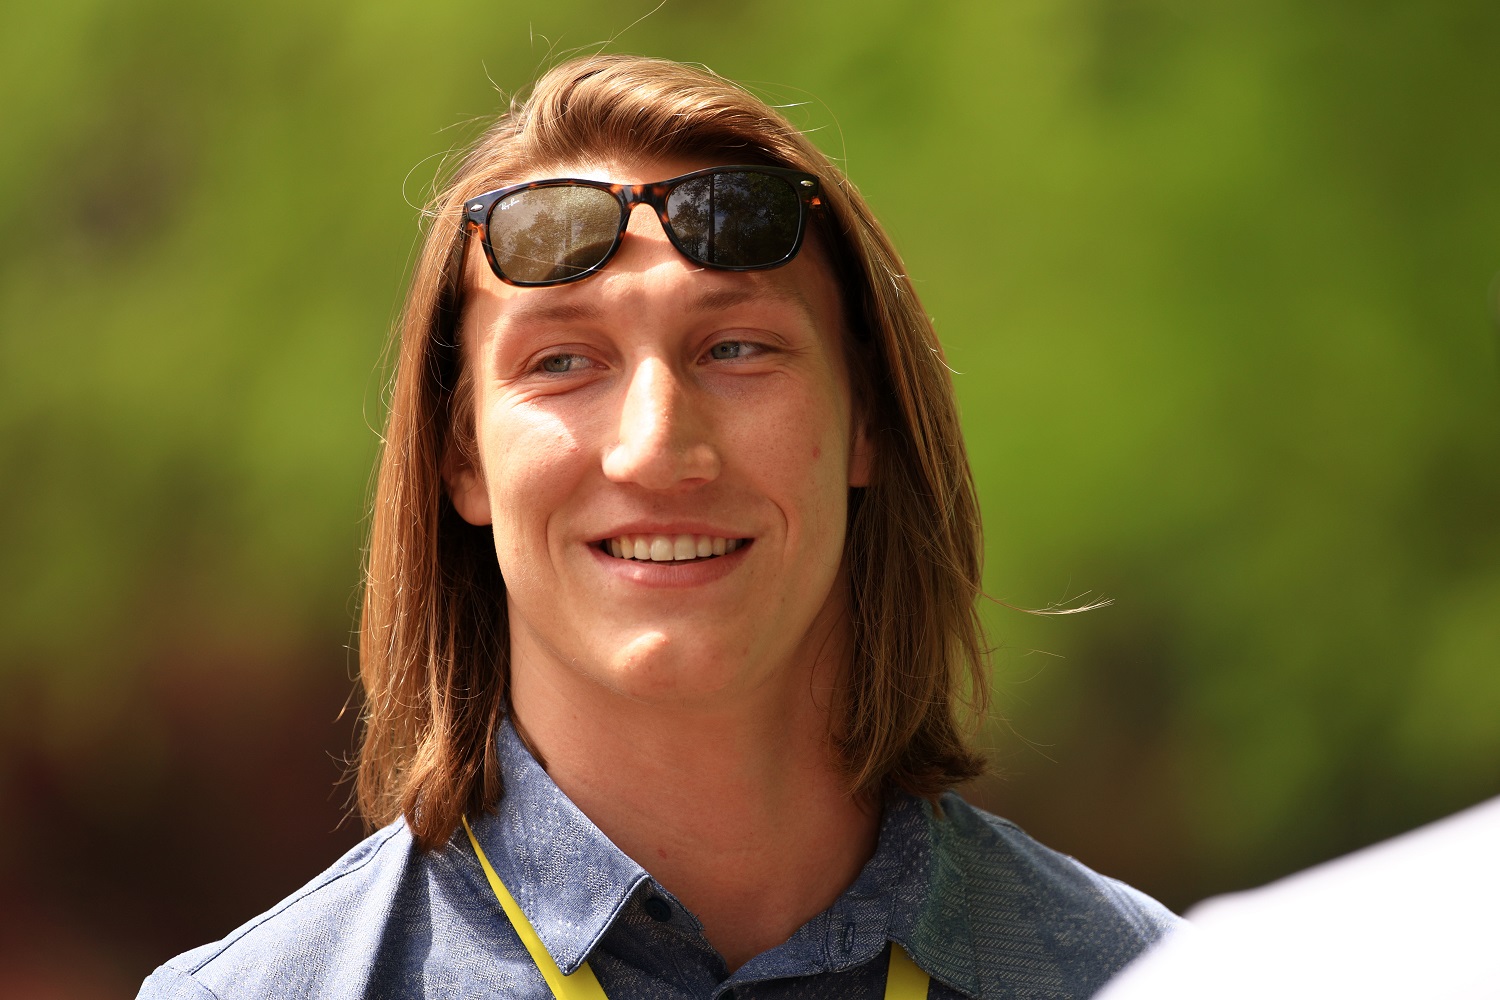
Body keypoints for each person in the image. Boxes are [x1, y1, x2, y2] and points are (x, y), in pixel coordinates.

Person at [138, 54, 1180, 999]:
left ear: (865, 418)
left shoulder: (1160, 980)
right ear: (462, 459)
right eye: (561, 361)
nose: (655, 448)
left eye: (735, 347)